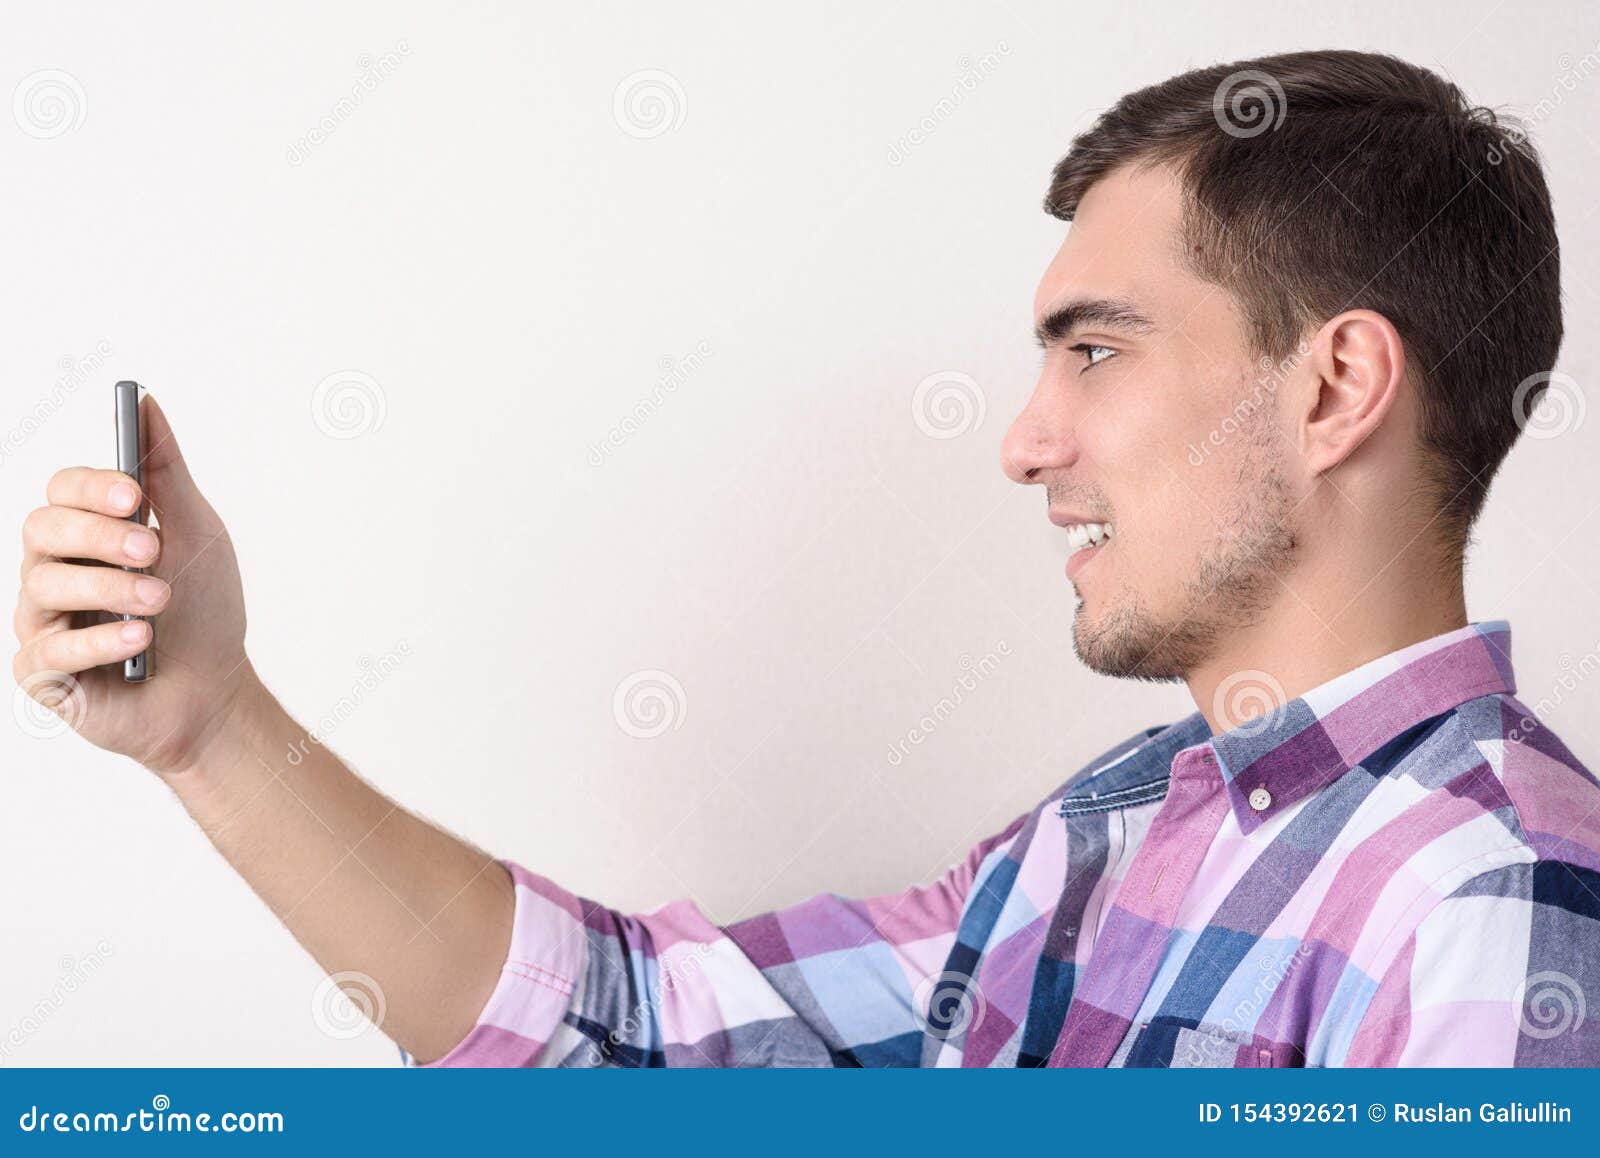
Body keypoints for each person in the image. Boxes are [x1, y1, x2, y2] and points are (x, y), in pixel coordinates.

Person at [13, 48, 1599, 1067]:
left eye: (1097, 351)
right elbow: (636, 1038)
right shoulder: (1100, 840)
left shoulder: (1490, 895)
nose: (1026, 440)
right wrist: (209, 724)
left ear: (1334, 389)